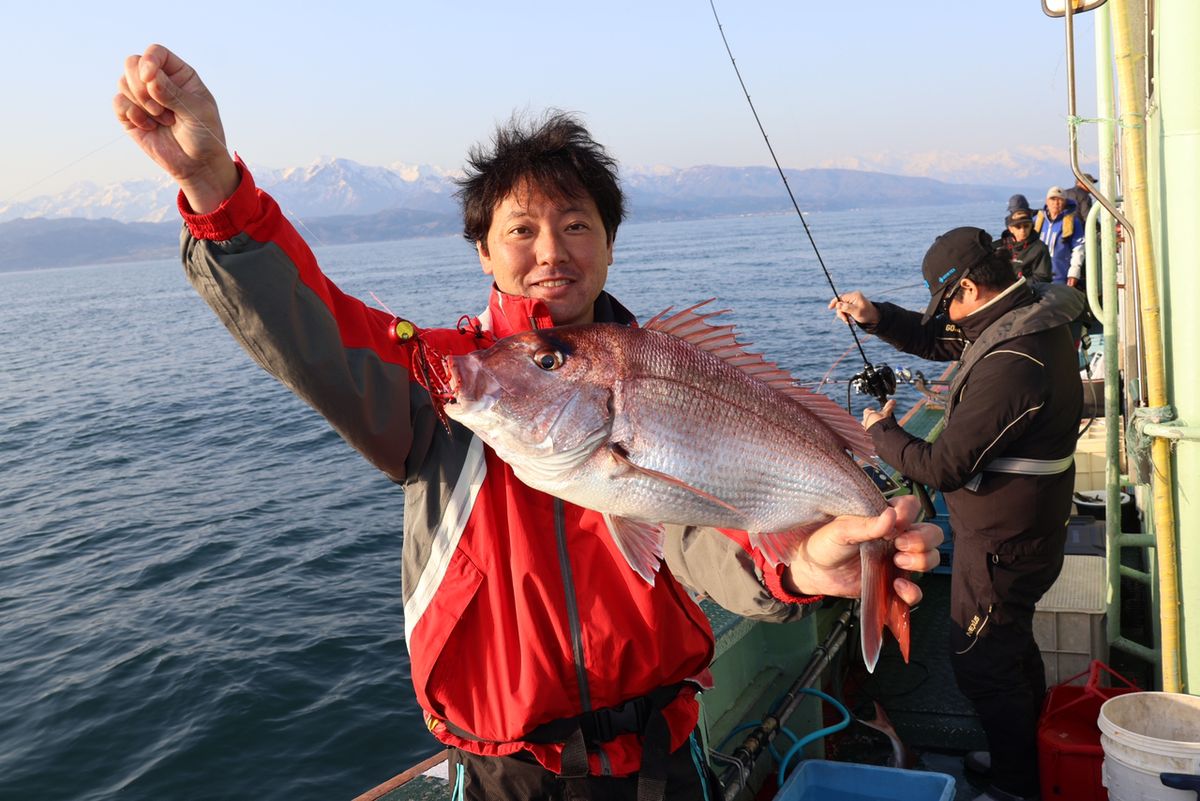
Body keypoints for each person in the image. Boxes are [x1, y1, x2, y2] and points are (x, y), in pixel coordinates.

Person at [114, 45, 942, 800]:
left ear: (610, 245)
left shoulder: (656, 371)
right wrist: (219, 194)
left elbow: (704, 534)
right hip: (509, 774)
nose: (551, 249)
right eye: (521, 228)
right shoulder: (452, 381)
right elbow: (318, 332)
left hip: (666, 761)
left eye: (577, 224)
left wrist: (801, 560)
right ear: (483, 250)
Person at [829, 228, 1083, 801]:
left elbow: (941, 465)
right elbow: (943, 338)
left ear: (969, 285)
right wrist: (876, 317)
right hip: (1026, 529)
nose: (945, 317)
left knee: (982, 661)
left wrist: (883, 434)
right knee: (1011, 645)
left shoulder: (1014, 361)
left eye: (947, 301)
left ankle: (1017, 786)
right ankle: (1024, 752)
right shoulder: (1027, 310)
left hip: (1002, 542)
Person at [1034, 186, 1084, 288]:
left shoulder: (1072, 221)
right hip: (1038, 277)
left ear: (1065, 202)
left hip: (1061, 278)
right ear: (1047, 201)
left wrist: (1074, 274)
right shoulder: (1037, 220)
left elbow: (1078, 249)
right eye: (1053, 199)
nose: (1056, 203)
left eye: (1060, 200)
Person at [998, 208, 1052, 283]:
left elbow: (1042, 278)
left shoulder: (1040, 248)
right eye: (1018, 227)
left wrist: (1016, 285)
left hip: (1028, 291)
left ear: (1031, 226)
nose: (1022, 230)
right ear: (1010, 229)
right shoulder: (1003, 246)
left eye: (1026, 226)